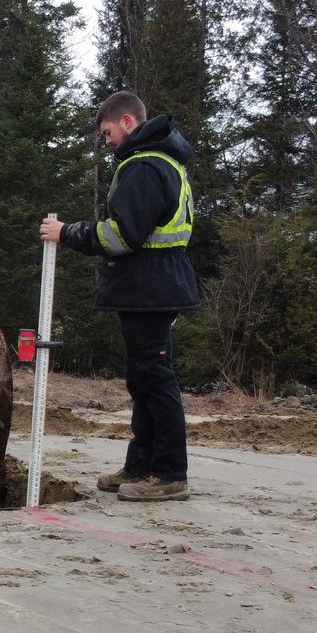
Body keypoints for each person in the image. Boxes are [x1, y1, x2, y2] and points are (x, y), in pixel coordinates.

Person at [38, 91, 201, 502]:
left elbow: (123, 235)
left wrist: (69, 232)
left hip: (151, 287)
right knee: (143, 378)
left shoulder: (143, 166)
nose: (107, 141)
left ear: (127, 122)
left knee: (155, 379)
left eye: (108, 132)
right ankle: (141, 465)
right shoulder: (163, 161)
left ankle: (169, 474)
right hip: (154, 285)